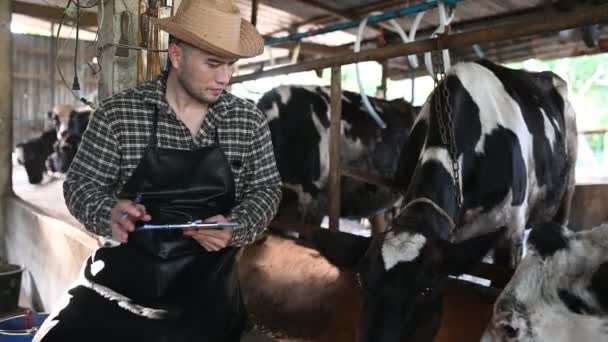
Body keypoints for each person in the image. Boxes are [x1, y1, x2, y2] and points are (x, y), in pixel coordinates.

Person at [47, 0, 281, 341]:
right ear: (176, 55)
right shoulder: (118, 115)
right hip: (119, 293)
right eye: (213, 63)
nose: (224, 78)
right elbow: (81, 185)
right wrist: (108, 211)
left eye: (231, 65)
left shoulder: (247, 121)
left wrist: (237, 226)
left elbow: (266, 191)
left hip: (210, 295)